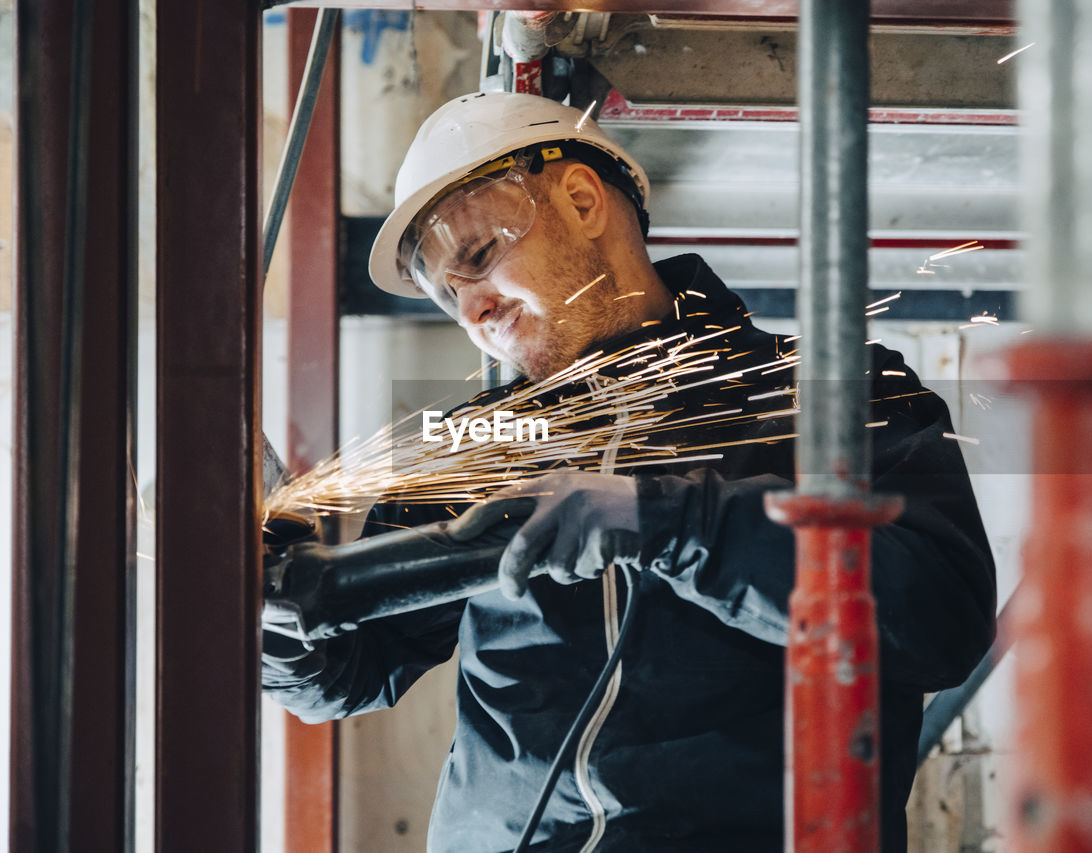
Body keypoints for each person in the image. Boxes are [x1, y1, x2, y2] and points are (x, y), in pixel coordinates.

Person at [263, 91, 996, 852]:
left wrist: (670, 522)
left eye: (479, 258)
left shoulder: (836, 395)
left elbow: (939, 621)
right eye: (449, 293)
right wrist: (271, 608)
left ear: (581, 200)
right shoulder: (479, 446)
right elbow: (341, 673)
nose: (473, 310)